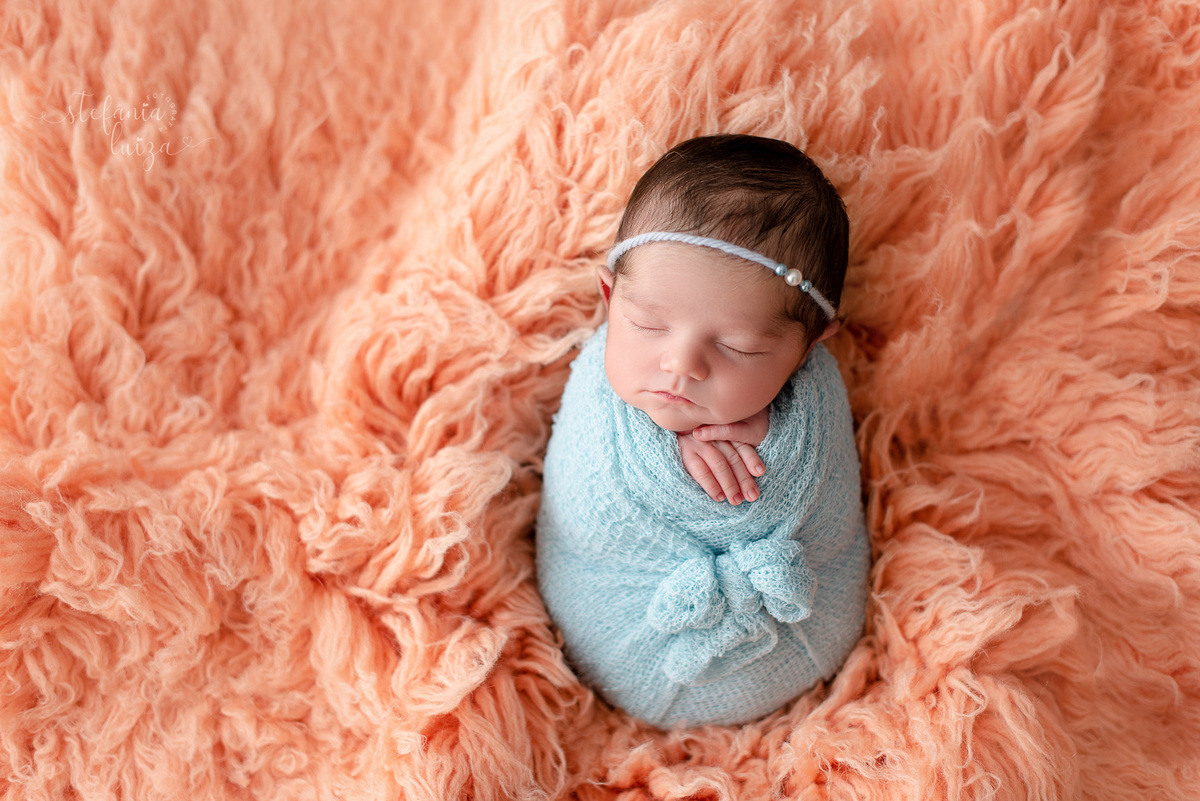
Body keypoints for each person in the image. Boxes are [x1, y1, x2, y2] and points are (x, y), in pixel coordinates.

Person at [536, 134, 870, 727]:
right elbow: (584, 511)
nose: (682, 364)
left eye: (738, 347)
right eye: (648, 324)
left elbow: (826, 508)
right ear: (610, 297)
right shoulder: (597, 388)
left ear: (809, 347)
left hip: (798, 628)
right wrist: (670, 458)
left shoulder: (815, 392)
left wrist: (775, 449)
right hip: (617, 629)